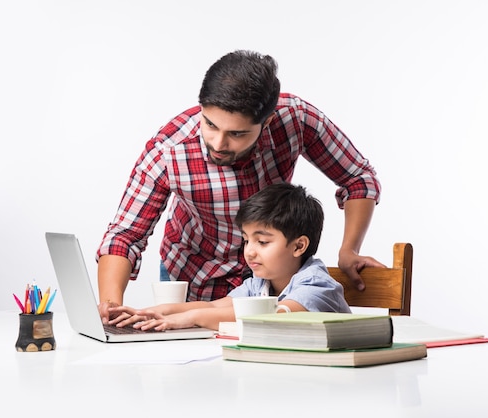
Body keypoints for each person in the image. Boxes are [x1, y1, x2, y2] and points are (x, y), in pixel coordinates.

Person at [97, 49, 384, 323]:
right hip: (195, 276)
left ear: (268, 121)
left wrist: (349, 249)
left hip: (270, 281)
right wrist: (111, 307)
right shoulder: (170, 151)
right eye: (209, 125)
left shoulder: (295, 120)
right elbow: (125, 235)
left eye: (236, 133)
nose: (219, 144)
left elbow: (358, 178)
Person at [108, 183, 351, 331]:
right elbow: (213, 306)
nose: (250, 251)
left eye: (262, 241)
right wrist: (150, 312)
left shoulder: (316, 284)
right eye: (246, 240)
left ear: (298, 246)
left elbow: (272, 317)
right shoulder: (260, 283)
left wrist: (190, 318)